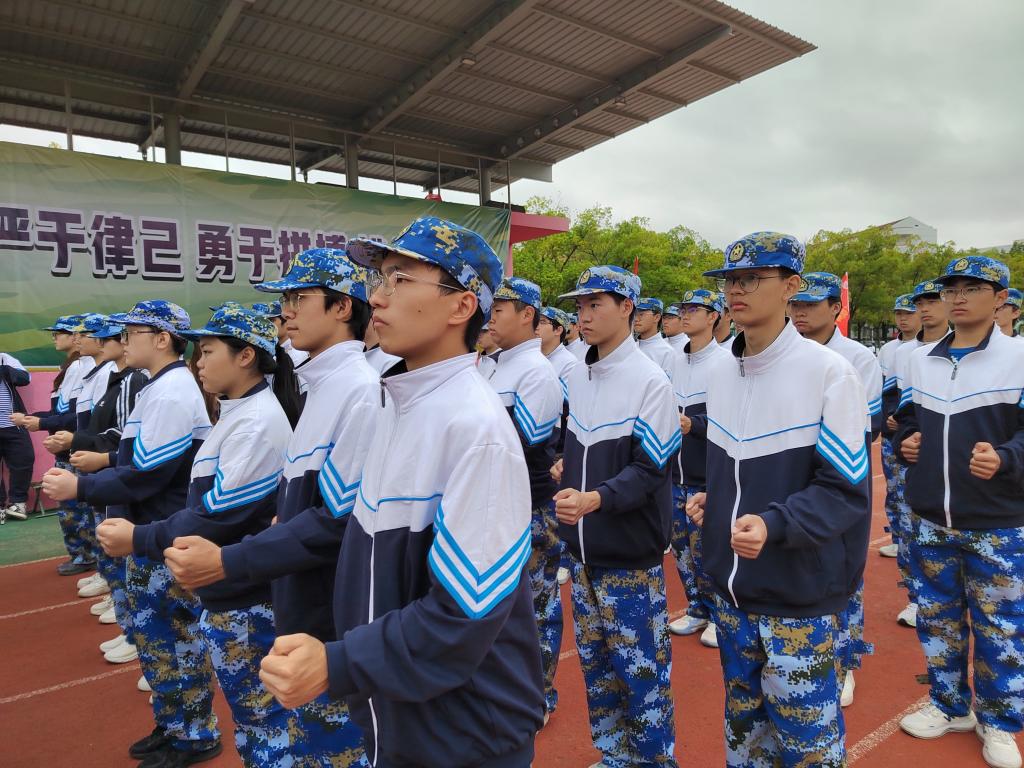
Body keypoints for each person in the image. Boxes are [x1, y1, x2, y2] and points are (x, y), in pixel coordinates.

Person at [255, 216, 545, 767]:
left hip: (463, 736)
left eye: (400, 280)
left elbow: (463, 613)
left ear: (461, 306)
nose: (378, 296)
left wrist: (338, 663)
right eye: (380, 278)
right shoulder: (397, 403)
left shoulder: (475, 428)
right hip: (403, 714)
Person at [164, 248, 379, 767]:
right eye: (285, 299)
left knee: (328, 747)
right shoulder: (322, 388)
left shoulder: (358, 390)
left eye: (299, 298)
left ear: (342, 308)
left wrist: (228, 560)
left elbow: (337, 523)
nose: (286, 311)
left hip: (328, 616)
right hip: (299, 603)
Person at [691, 232, 870, 767]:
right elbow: (731, 465)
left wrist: (775, 524)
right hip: (730, 592)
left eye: (751, 279)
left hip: (797, 593)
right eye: (730, 280)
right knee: (745, 736)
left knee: (808, 744)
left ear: (791, 286)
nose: (736, 290)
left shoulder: (829, 372)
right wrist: (714, 500)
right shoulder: (720, 368)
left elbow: (845, 491)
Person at [96, 305, 298, 768]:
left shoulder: (256, 422)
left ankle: (193, 735)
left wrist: (139, 537)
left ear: (245, 356)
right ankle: (183, 731)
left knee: (262, 717)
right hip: (227, 585)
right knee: (251, 713)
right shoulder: (239, 412)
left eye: (207, 352)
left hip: (243, 590)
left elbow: (216, 517)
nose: (198, 363)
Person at [41, 300, 221, 768]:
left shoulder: (172, 392)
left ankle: (194, 734)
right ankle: (174, 724)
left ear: (162, 339)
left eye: (132, 332)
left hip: (161, 533)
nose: (123, 341)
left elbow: (147, 474)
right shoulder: (158, 386)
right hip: (149, 529)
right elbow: (134, 460)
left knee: (173, 640)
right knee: (156, 640)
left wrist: (82, 487)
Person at [894, 255, 1024, 768]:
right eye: (952, 289)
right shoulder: (920, 361)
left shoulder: (1019, 359)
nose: (959, 297)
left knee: (1001, 627)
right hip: (930, 518)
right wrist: (905, 440)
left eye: (973, 288)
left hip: (998, 522)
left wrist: (1007, 458)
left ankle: (1000, 722)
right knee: (938, 620)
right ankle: (950, 705)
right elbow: (904, 419)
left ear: (1001, 298)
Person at [553, 265, 681, 768]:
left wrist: (595, 499)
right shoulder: (580, 374)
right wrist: (567, 468)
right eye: (580, 306)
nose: (583, 316)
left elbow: (650, 470)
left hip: (628, 557)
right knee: (598, 669)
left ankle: (652, 761)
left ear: (627, 307)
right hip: (583, 554)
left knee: (641, 674)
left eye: (595, 305)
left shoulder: (650, 380)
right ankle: (614, 757)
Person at [789, 271, 883, 708]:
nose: (801, 312)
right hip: (789, 478)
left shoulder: (857, 358)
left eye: (811, 304)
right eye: (797, 304)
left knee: (843, 573)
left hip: (837, 475)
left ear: (835, 308)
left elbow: (867, 428)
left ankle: (844, 664)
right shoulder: (781, 353)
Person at [488, 277, 564, 722]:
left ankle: (539, 697)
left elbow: (521, 445)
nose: (491, 318)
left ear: (527, 315)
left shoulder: (537, 372)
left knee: (536, 609)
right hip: (498, 506)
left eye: (500, 309)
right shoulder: (496, 366)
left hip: (531, 508)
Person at [66, 314, 148, 652]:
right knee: (113, 551)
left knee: (129, 561)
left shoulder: (135, 380)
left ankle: (134, 630)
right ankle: (128, 623)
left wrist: (94, 454)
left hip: (117, 477)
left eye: (127, 335)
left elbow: (125, 438)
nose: (123, 343)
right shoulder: (113, 377)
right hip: (111, 474)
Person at [666, 289, 730, 651]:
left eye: (695, 309)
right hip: (675, 474)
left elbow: (730, 420)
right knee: (681, 549)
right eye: (683, 308)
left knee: (708, 549)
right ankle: (696, 607)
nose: (685, 314)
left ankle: (720, 614)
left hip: (705, 478)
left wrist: (695, 425)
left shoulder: (725, 362)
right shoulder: (674, 360)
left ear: (713, 316)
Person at [13, 314, 98, 575]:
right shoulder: (71, 367)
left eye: (60, 332)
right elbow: (61, 412)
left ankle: (88, 557)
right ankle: (84, 555)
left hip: (77, 449)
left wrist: (40, 422)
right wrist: (36, 419)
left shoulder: (83, 366)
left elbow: (77, 416)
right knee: (71, 509)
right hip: (66, 448)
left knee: (79, 510)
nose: (54, 337)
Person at [889, 278, 952, 628]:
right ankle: (916, 596)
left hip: (970, 474)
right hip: (919, 464)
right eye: (920, 303)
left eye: (932, 301)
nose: (924, 308)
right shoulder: (908, 355)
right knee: (908, 522)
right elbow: (904, 407)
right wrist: (901, 432)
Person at [877, 293, 922, 560]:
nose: (903, 319)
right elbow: (884, 391)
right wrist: (889, 417)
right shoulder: (889, 350)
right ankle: (898, 538)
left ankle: (914, 541)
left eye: (909, 313)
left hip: (920, 434)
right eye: (899, 314)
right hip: (893, 434)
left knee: (915, 490)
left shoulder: (927, 349)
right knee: (894, 489)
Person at [0, 350, 34, 523]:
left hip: (13, 423)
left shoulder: (4, 358)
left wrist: (3, 369)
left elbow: (25, 378)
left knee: (24, 459)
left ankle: (18, 503)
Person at [253, 299, 308, 366]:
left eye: (271, 320)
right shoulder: (269, 350)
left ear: (286, 320)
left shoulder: (296, 353)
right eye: (263, 321)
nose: (266, 325)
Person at [634, 297, 674, 375]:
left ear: (656, 317)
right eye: (635, 314)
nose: (636, 319)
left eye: (641, 314)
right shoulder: (632, 347)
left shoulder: (666, 352)